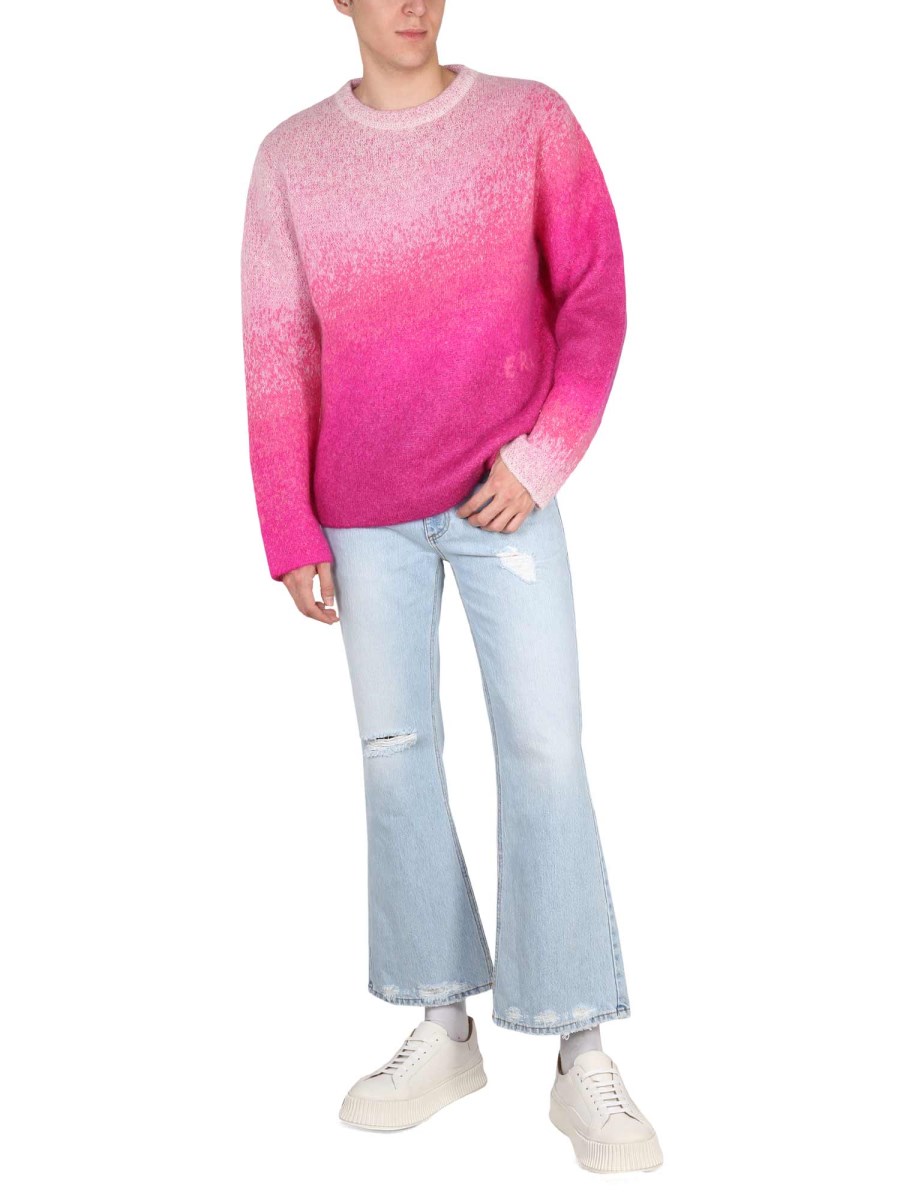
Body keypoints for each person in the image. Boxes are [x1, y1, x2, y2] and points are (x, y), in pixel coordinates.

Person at [240, 0, 662, 1174]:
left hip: (503, 500)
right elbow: (276, 349)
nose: (412, 4)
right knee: (396, 755)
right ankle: (442, 1024)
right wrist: (289, 525)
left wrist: (544, 456)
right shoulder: (291, 159)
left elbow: (596, 295)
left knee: (546, 749)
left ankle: (580, 1050)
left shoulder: (529, 123)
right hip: (361, 515)